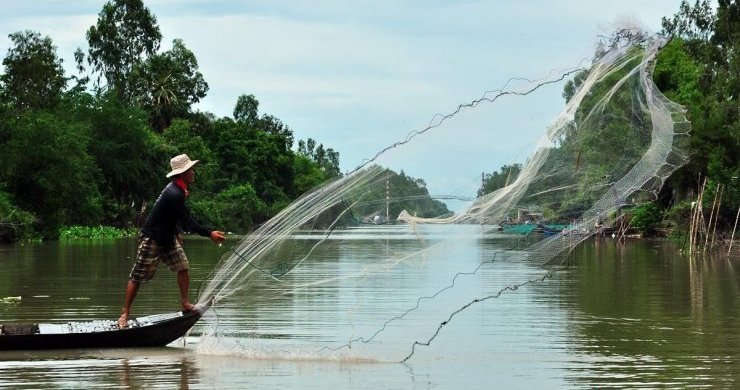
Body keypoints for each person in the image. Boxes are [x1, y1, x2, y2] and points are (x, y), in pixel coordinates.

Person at [118, 154, 225, 328]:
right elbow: (187, 221)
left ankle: (184, 303)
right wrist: (209, 234)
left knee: (183, 267)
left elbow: (170, 215)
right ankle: (125, 314)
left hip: (167, 236)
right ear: (183, 173)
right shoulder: (174, 192)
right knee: (137, 276)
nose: (193, 172)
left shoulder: (179, 189)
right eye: (190, 170)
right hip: (152, 237)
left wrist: (176, 233)